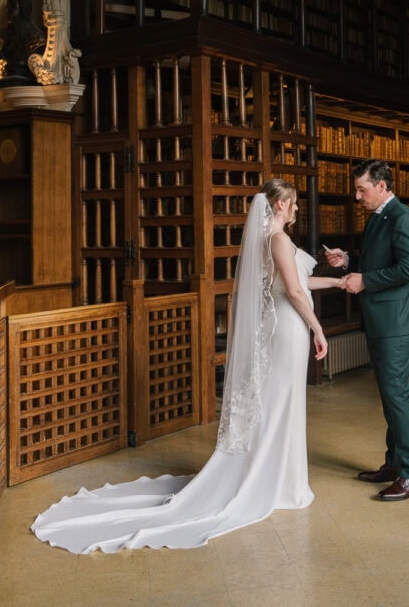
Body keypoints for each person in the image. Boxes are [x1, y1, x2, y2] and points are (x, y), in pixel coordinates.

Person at [31, 179, 343, 552]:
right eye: (292, 203)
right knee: (280, 405)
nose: (295, 208)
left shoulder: (270, 239)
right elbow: (293, 291)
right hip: (289, 326)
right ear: (279, 205)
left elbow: (301, 282)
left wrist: (340, 283)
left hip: (287, 325)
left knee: (280, 404)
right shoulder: (276, 239)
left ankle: (279, 478)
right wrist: (318, 327)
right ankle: (276, 481)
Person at [325, 158, 409, 502]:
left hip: (395, 322)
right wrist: (349, 262)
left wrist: (365, 280)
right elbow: (382, 261)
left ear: (382, 186)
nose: (357, 196)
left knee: (396, 395)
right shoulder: (379, 217)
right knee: (389, 395)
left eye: (361, 189)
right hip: (383, 319)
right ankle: (395, 464)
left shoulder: (402, 218)